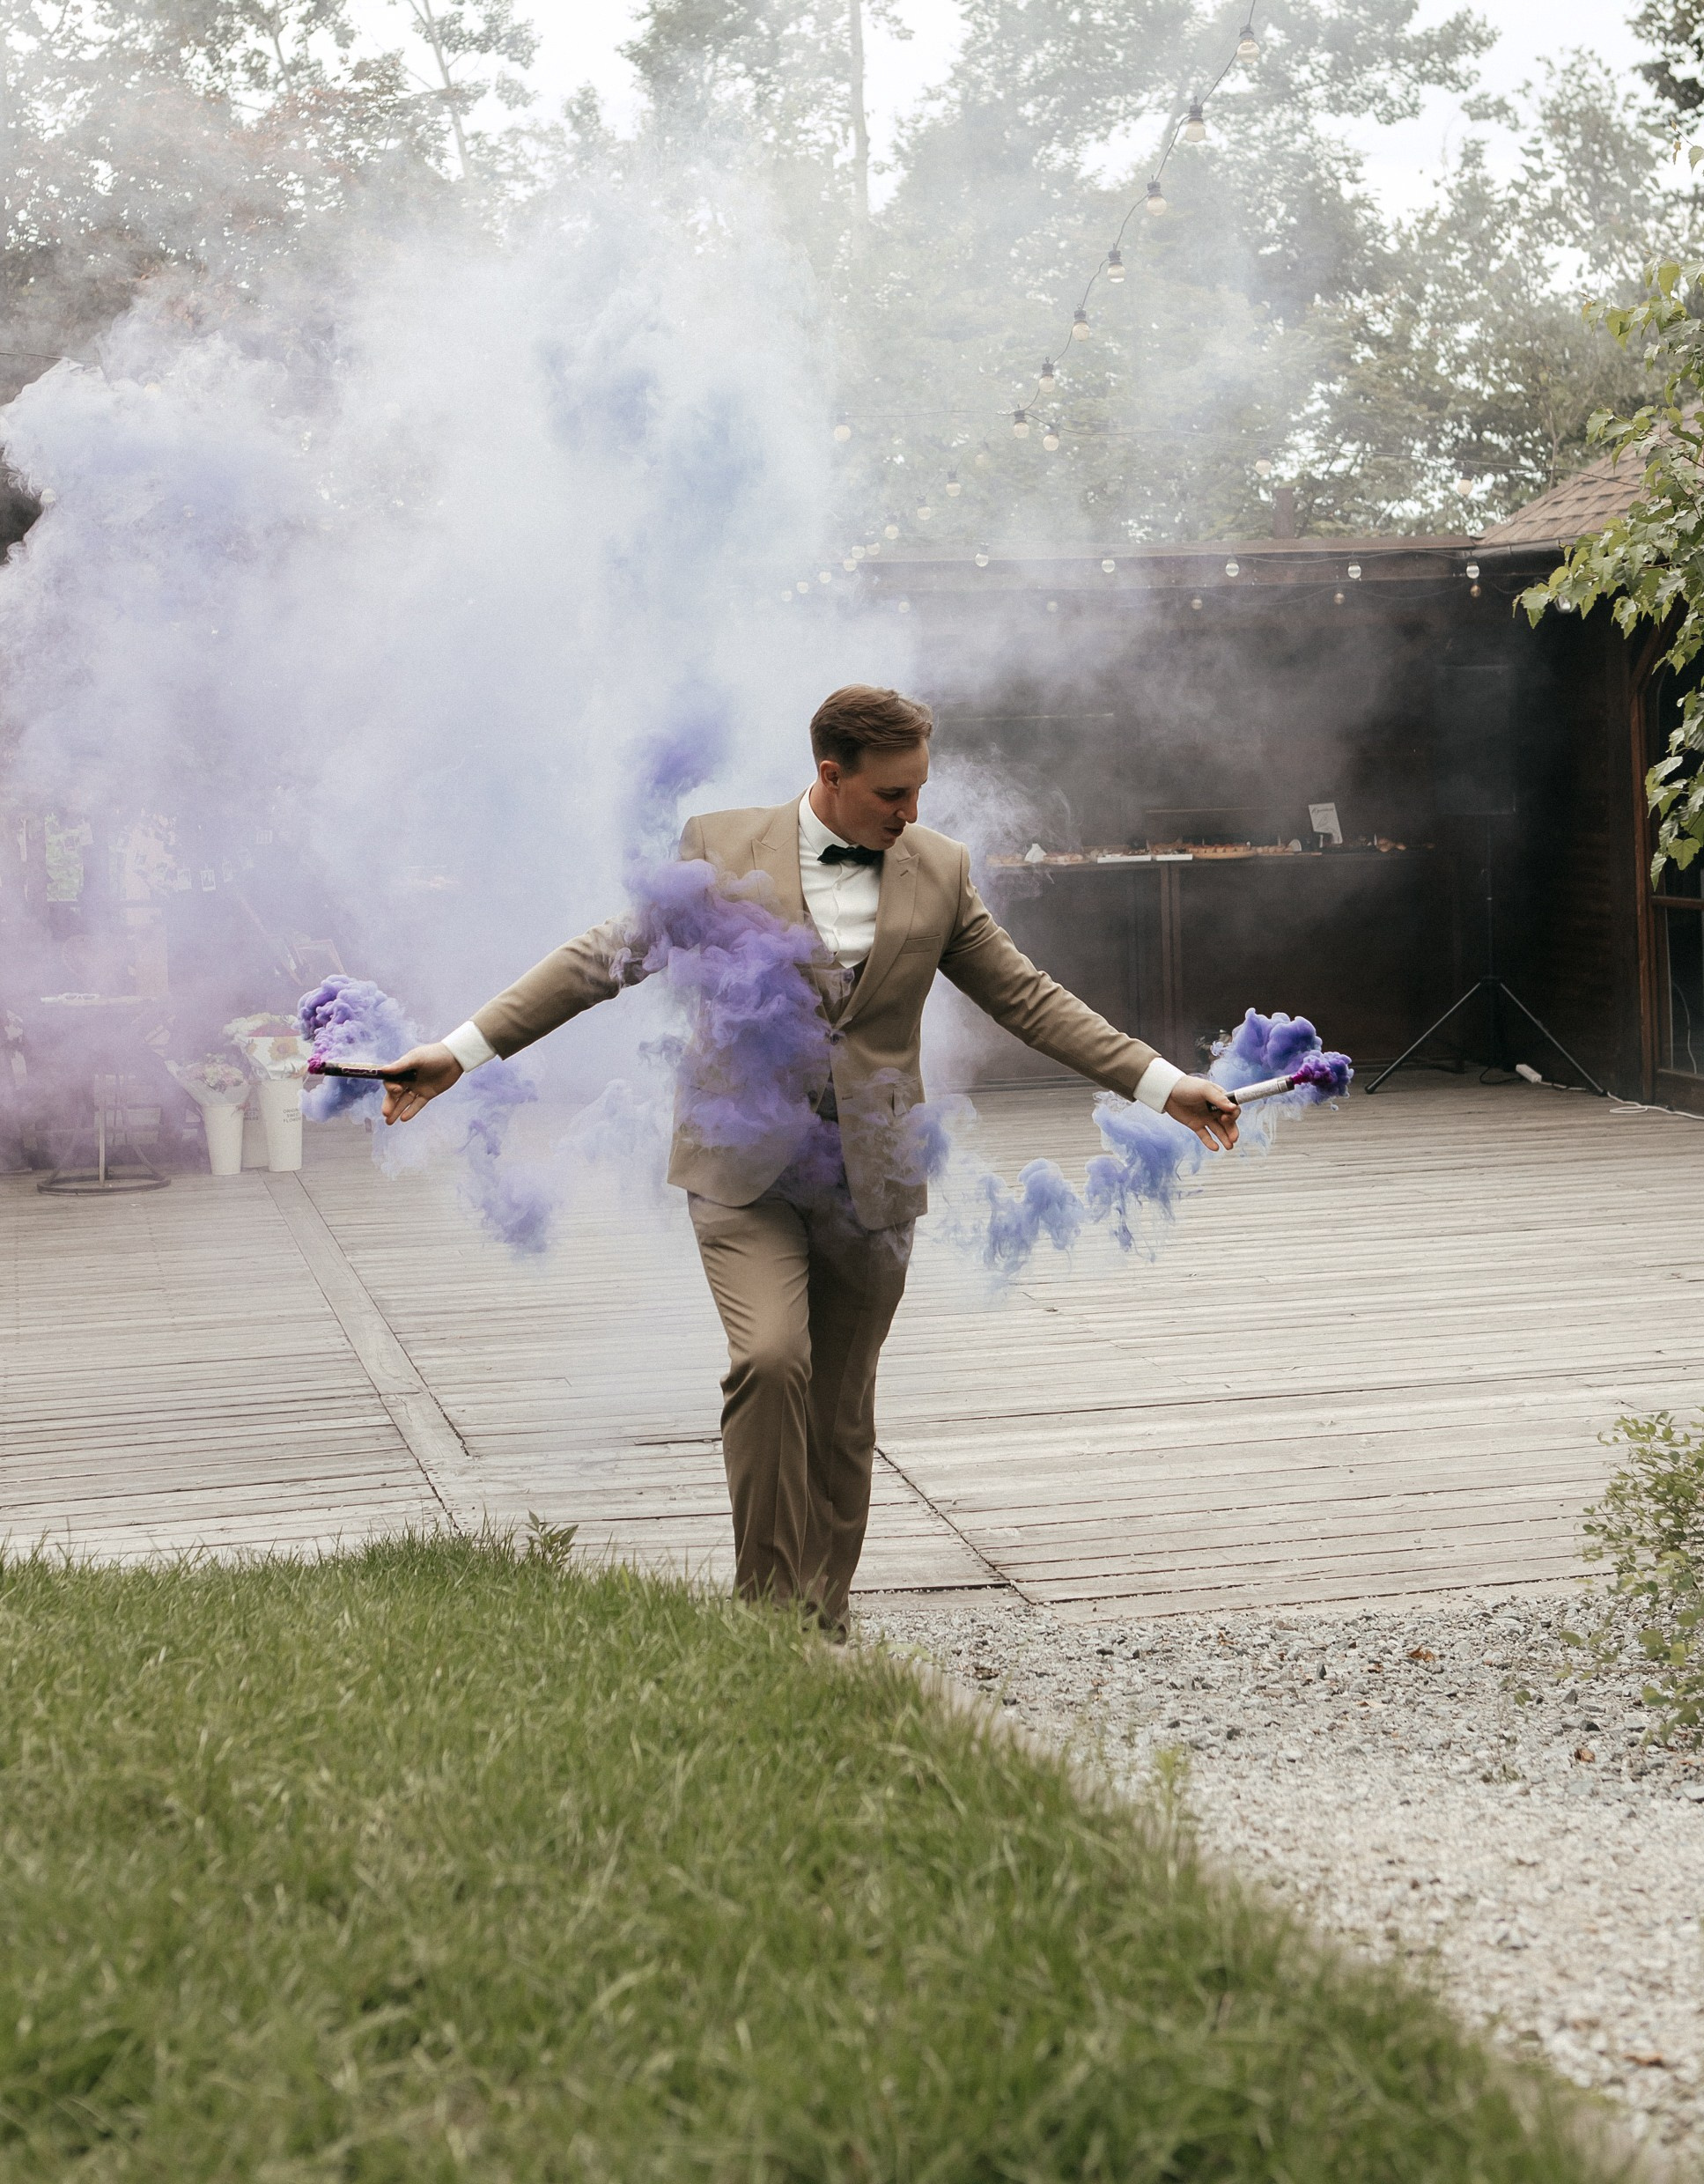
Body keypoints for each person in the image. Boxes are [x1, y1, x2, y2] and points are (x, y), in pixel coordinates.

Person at [383, 684, 1239, 1633]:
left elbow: (1029, 999)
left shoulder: (940, 869)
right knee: (769, 1359)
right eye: (892, 794)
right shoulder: (718, 849)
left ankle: (820, 1618)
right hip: (741, 1166)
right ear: (831, 775)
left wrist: (1165, 1085)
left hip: (874, 1172)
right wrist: (457, 1053)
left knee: (840, 1408)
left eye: (920, 790)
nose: (910, 812)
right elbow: (600, 959)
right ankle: (764, 1615)